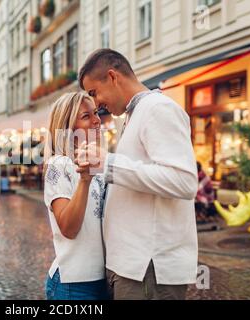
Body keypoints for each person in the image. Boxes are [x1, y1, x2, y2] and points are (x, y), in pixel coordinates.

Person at [76, 49, 198, 300]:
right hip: (135, 267)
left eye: (93, 93)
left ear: (112, 76)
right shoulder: (136, 114)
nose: (96, 104)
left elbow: (184, 182)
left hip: (149, 268)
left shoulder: (158, 109)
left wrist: (108, 164)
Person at [43, 92, 108, 300]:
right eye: (86, 116)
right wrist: (85, 181)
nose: (97, 120)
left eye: (96, 113)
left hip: (102, 279)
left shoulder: (100, 166)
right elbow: (68, 228)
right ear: (68, 127)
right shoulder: (59, 164)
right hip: (74, 285)